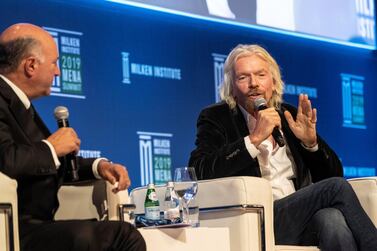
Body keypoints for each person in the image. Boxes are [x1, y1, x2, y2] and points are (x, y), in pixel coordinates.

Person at [189, 44, 377, 250]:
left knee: (331, 220)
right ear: (232, 87)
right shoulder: (216, 118)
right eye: (243, 77)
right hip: (259, 219)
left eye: (261, 75)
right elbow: (200, 170)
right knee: (336, 188)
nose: (254, 84)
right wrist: (253, 139)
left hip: (299, 217)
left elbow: (333, 173)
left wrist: (310, 143)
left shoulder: (288, 115)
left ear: (274, 81)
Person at [0, 23, 146, 251]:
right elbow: (6, 160)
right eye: (54, 63)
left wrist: (99, 167)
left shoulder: (19, 104)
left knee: (107, 231)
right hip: (14, 230)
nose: (57, 72)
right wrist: (51, 147)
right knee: (122, 236)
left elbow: (44, 164)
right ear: (30, 65)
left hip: (38, 227)